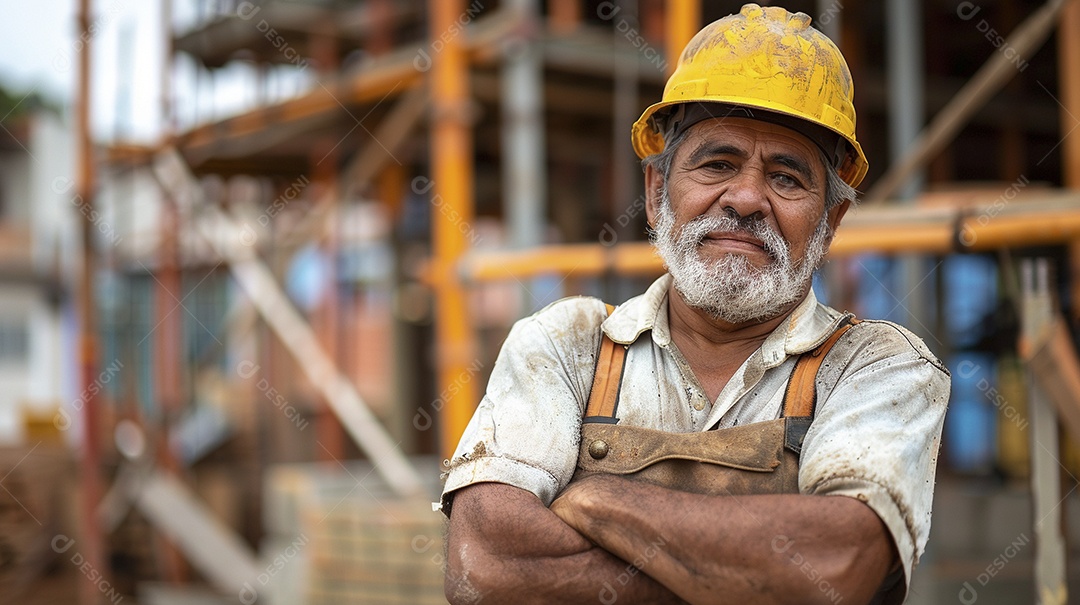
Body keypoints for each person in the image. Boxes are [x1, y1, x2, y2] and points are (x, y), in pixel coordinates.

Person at [439, 4, 949, 604]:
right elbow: (483, 565)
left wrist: (598, 499)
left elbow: (831, 570)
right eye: (718, 164)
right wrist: (744, 576)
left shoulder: (879, 368)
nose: (747, 198)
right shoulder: (565, 344)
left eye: (787, 177)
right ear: (657, 194)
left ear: (829, 222)